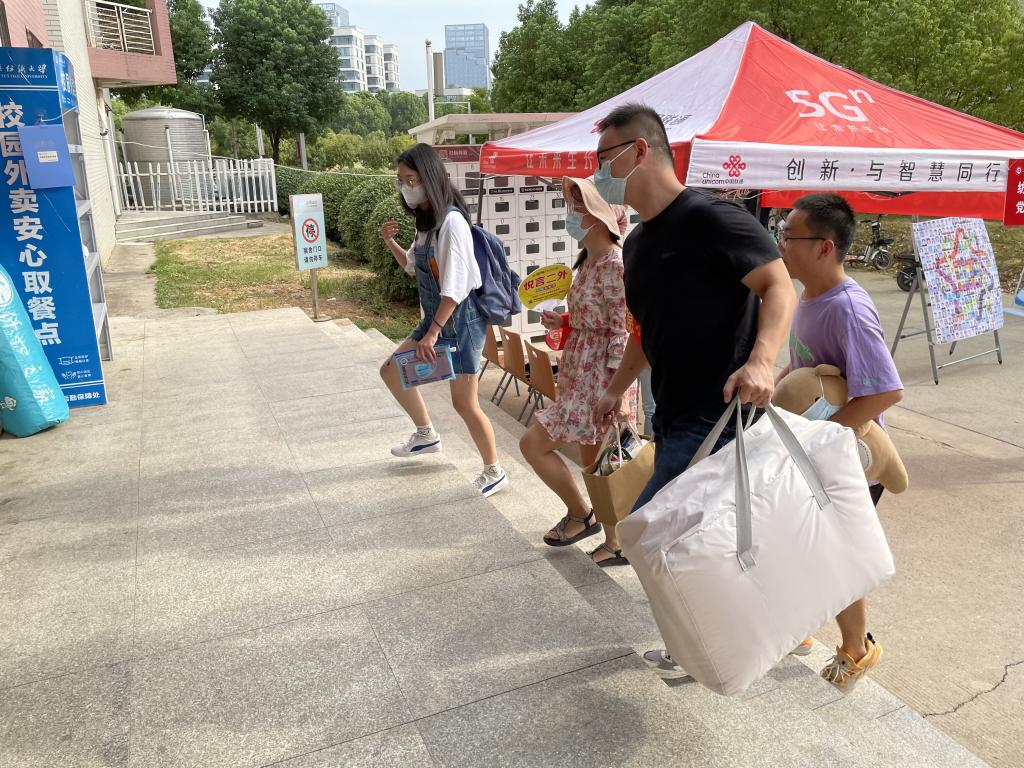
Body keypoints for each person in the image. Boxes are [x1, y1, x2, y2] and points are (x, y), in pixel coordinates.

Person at [588, 103, 797, 673]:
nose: (600, 172)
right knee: (690, 541)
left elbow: (779, 285)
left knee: (652, 535)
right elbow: (646, 332)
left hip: (720, 415)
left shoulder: (711, 217)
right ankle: (746, 631)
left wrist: (763, 360)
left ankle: (709, 646)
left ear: (640, 151)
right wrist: (615, 389)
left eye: (605, 158)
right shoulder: (636, 244)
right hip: (674, 415)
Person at [777, 193, 903, 691]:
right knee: (807, 542)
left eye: (790, 236)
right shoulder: (810, 296)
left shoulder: (848, 308)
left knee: (838, 556)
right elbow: (807, 367)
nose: (781, 244)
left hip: (850, 458)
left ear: (825, 247)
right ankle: (800, 628)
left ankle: (857, 648)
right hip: (816, 450)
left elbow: (886, 390)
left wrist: (824, 439)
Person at [378, 143, 508, 498]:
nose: (406, 187)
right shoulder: (426, 223)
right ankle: (426, 435)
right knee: (391, 370)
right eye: (401, 180)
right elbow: (412, 266)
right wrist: (390, 242)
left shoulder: (451, 223)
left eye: (411, 179)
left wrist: (432, 333)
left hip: (461, 323)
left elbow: (455, 289)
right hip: (436, 318)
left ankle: (494, 471)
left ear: (429, 178)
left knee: (465, 403)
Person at [519, 177, 637, 566]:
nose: (573, 214)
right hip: (580, 375)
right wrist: (566, 321)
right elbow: (597, 317)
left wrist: (617, 391)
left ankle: (583, 516)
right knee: (595, 461)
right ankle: (612, 539)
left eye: (580, 207)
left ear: (602, 216)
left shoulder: (615, 264)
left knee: (537, 445)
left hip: (599, 381)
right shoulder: (590, 260)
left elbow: (622, 329)